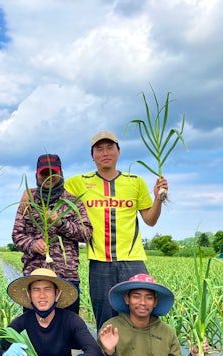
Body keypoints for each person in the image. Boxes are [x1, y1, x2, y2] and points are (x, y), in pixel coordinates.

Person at [65, 130, 168, 329]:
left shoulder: (135, 182)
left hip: (133, 261)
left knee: (142, 315)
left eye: (110, 147)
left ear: (118, 151)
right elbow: (51, 188)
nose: (105, 153)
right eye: (99, 149)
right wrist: (28, 194)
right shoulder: (78, 182)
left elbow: (150, 220)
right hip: (100, 263)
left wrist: (158, 199)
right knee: (105, 319)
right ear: (92, 155)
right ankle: (106, 350)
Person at [11, 154, 92, 314]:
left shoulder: (73, 202)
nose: (48, 177)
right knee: (34, 327)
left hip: (66, 277)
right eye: (44, 173)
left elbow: (86, 234)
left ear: (60, 174)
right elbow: (17, 235)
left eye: (53, 173)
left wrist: (61, 223)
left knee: (68, 326)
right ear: (37, 175)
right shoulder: (28, 201)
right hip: (35, 277)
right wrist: (33, 244)